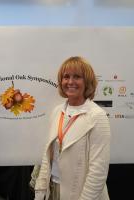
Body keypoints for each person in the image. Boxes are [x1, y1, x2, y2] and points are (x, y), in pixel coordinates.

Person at [34, 56, 111, 200]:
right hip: (54, 189)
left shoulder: (97, 116)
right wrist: (40, 190)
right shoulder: (57, 111)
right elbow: (48, 154)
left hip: (82, 193)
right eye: (66, 77)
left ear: (87, 81)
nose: (70, 82)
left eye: (77, 77)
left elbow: (98, 171)